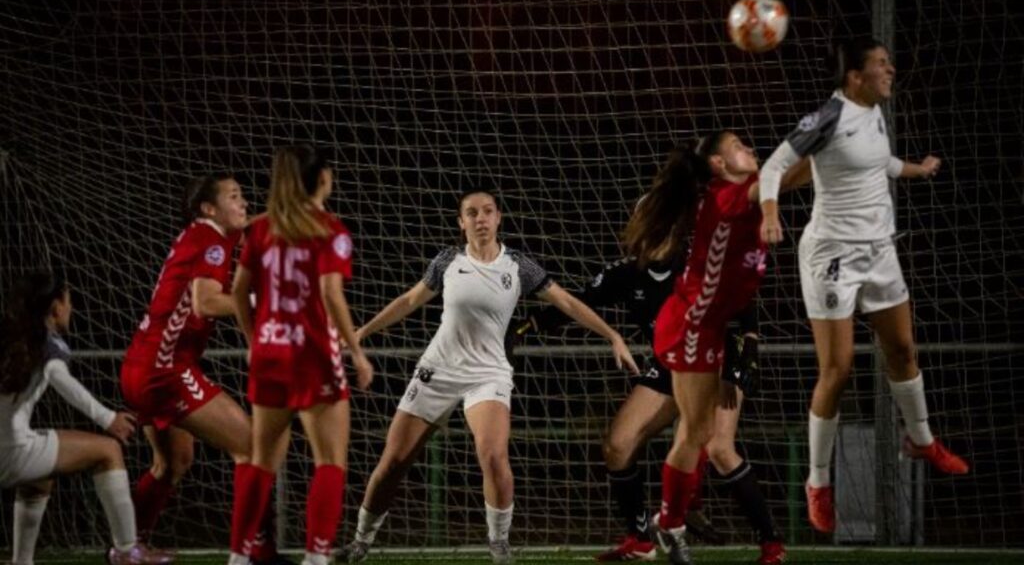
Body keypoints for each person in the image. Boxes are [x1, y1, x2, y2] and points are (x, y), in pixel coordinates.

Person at [512, 145, 806, 562]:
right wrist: (527, 327)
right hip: (671, 363)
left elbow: (743, 310)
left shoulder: (697, 261)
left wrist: (742, 363)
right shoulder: (625, 272)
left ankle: (772, 544)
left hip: (718, 360)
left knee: (721, 448)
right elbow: (578, 302)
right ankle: (641, 540)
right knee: (617, 444)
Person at [336, 188, 639, 565]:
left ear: (498, 218)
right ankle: (361, 542)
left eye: (488, 211)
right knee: (393, 462)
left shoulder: (519, 266)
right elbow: (409, 301)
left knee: (493, 457)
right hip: (440, 368)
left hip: (489, 373)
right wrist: (361, 333)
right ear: (461, 223)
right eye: (471, 213)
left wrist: (612, 335)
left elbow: (568, 302)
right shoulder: (448, 260)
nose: (480, 219)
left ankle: (499, 549)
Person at [757, 36, 969, 534]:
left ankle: (920, 438)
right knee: (838, 368)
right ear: (854, 76)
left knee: (903, 348)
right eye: (880, 64)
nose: (890, 69)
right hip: (832, 256)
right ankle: (818, 481)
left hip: (880, 251)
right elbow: (773, 167)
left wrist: (914, 169)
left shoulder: (875, 114)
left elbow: (877, 163)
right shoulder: (827, 118)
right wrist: (770, 213)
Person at [649, 132, 807, 565]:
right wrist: (830, 135)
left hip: (709, 326)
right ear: (718, 163)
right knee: (701, 435)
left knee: (697, 435)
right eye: (739, 145)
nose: (751, 149)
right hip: (693, 325)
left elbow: (786, 176)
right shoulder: (729, 196)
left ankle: (673, 522)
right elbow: (788, 174)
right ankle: (670, 522)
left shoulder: (737, 192)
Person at [120, 174, 288, 563]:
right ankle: (258, 553)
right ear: (209, 209)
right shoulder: (210, 239)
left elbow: (254, 224)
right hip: (165, 369)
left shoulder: (208, 234)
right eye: (234, 196)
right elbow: (207, 303)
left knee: (171, 463)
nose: (243, 202)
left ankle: (129, 546)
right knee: (251, 446)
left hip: (142, 365)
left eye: (244, 196)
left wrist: (292, 210)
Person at [227, 145, 373, 565]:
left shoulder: (261, 229)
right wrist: (358, 353)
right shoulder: (329, 229)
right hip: (312, 356)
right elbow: (330, 294)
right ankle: (317, 557)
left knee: (261, 460)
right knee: (329, 460)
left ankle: (238, 557)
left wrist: (255, 339)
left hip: (270, 353)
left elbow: (238, 292)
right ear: (323, 178)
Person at [1, 271, 171, 565]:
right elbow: (58, 377)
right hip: (10, 452)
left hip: (11, 447)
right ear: (55, 307)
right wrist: (108, 419)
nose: (72, 308)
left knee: (40, 478)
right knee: (109, 451)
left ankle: (21, 562)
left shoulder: (8, 335)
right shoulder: (48, 343)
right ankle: (127, 551)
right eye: (69, 301)